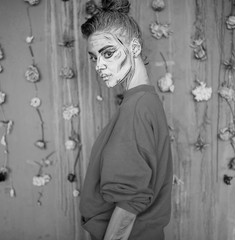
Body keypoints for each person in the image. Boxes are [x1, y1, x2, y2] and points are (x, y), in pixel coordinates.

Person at [79, 0, 173, 239]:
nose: (99, 66)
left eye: (108, 53)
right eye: (93, 58)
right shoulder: (144, 100)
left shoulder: (137, 107)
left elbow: (129, 203)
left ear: (134, 47)